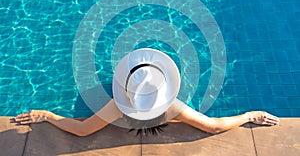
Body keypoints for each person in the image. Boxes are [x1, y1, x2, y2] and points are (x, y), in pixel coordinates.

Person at [14, 48, 280, 137]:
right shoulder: (172, 107)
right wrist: (248, 115)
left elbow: (83, 131)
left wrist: (47, 115)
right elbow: (213, 126)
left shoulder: (118, 106)